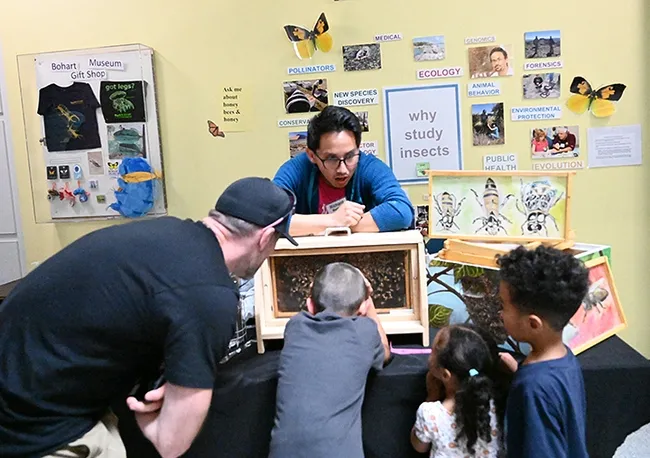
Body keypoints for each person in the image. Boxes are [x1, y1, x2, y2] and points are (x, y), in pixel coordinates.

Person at [0, 177, 297, 458]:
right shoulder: (210, 295)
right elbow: (171, 443)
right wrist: (152, 422)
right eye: (275, 243)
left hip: (21, 374)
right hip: (31, 422)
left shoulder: (166, 233)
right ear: (265, 237)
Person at [268, 262, 391, 458]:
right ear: (362, 308)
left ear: (309, 304)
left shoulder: (295, 327)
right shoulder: (365, 332)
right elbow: (385, 352)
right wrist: (369, 304)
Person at [496, 245, 590, 458]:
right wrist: (518, 372)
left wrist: (525, 383)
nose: (500, 313)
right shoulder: (564, 358)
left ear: (533, 324)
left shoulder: (534, 388)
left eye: (503, 306)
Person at [273, 105, 414, 236]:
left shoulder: (369, 166)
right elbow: (270, 218)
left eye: (350, 156)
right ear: (312, 155)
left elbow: (402, 211)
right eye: (331, 159)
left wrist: (342, 226)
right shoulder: (296, 170)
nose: (343, 169)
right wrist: (333, 221)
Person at [410, 324, 504, 457]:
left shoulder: (430, 413)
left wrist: (432, 395)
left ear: (445, 375)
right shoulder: (492, 403)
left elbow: (419, 447)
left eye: (432, 351)